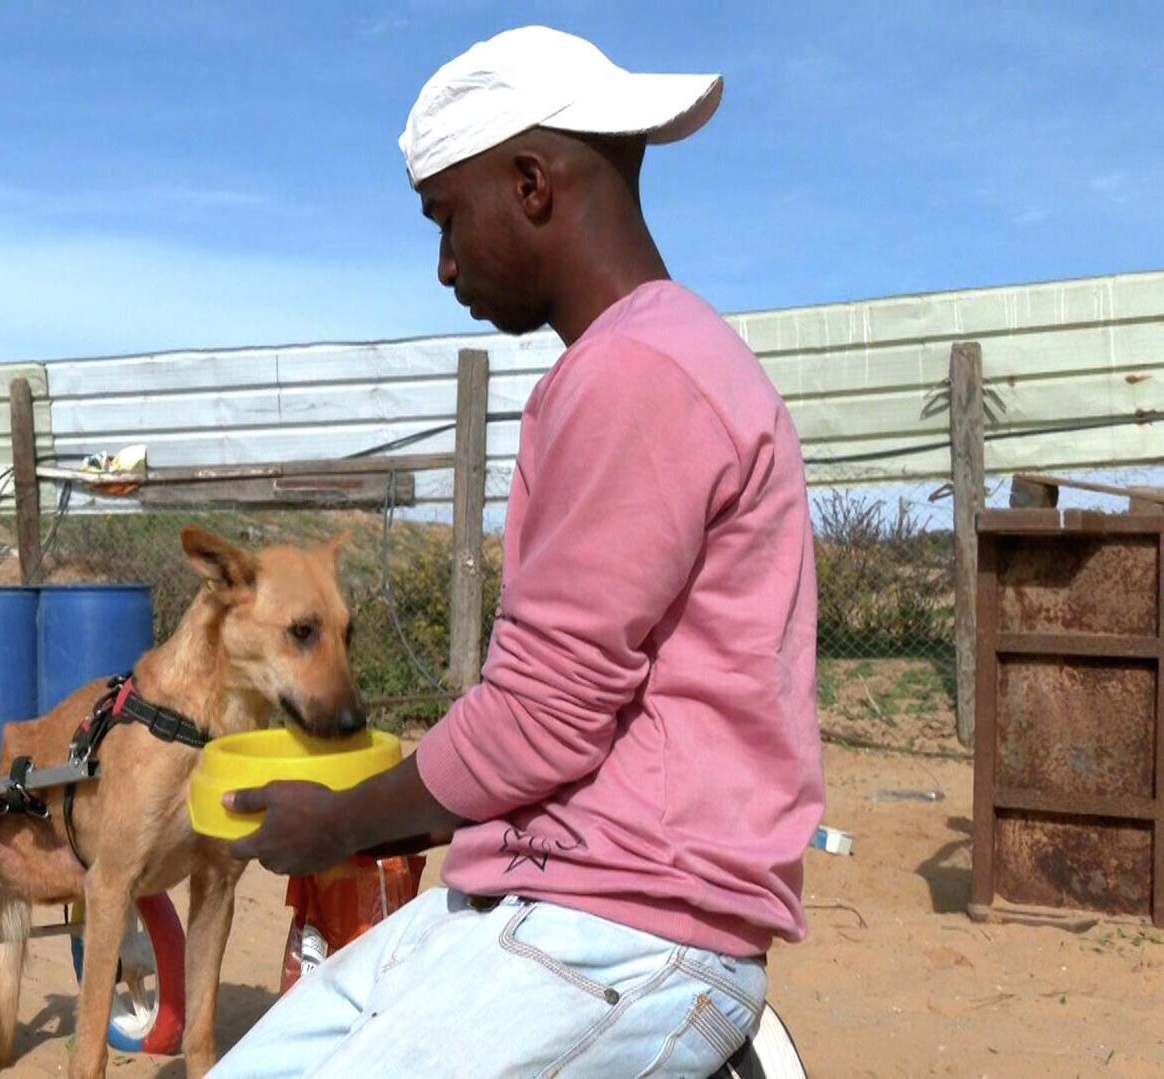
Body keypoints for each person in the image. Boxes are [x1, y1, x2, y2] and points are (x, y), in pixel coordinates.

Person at [210, 26, 825, 1078]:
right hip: (532, 900)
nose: (445, 263)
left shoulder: (641, 375)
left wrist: (343, 826)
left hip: (627, 926)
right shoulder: (638, 365)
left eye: (449, 218)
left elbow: (542, 716)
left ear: (533, 183)